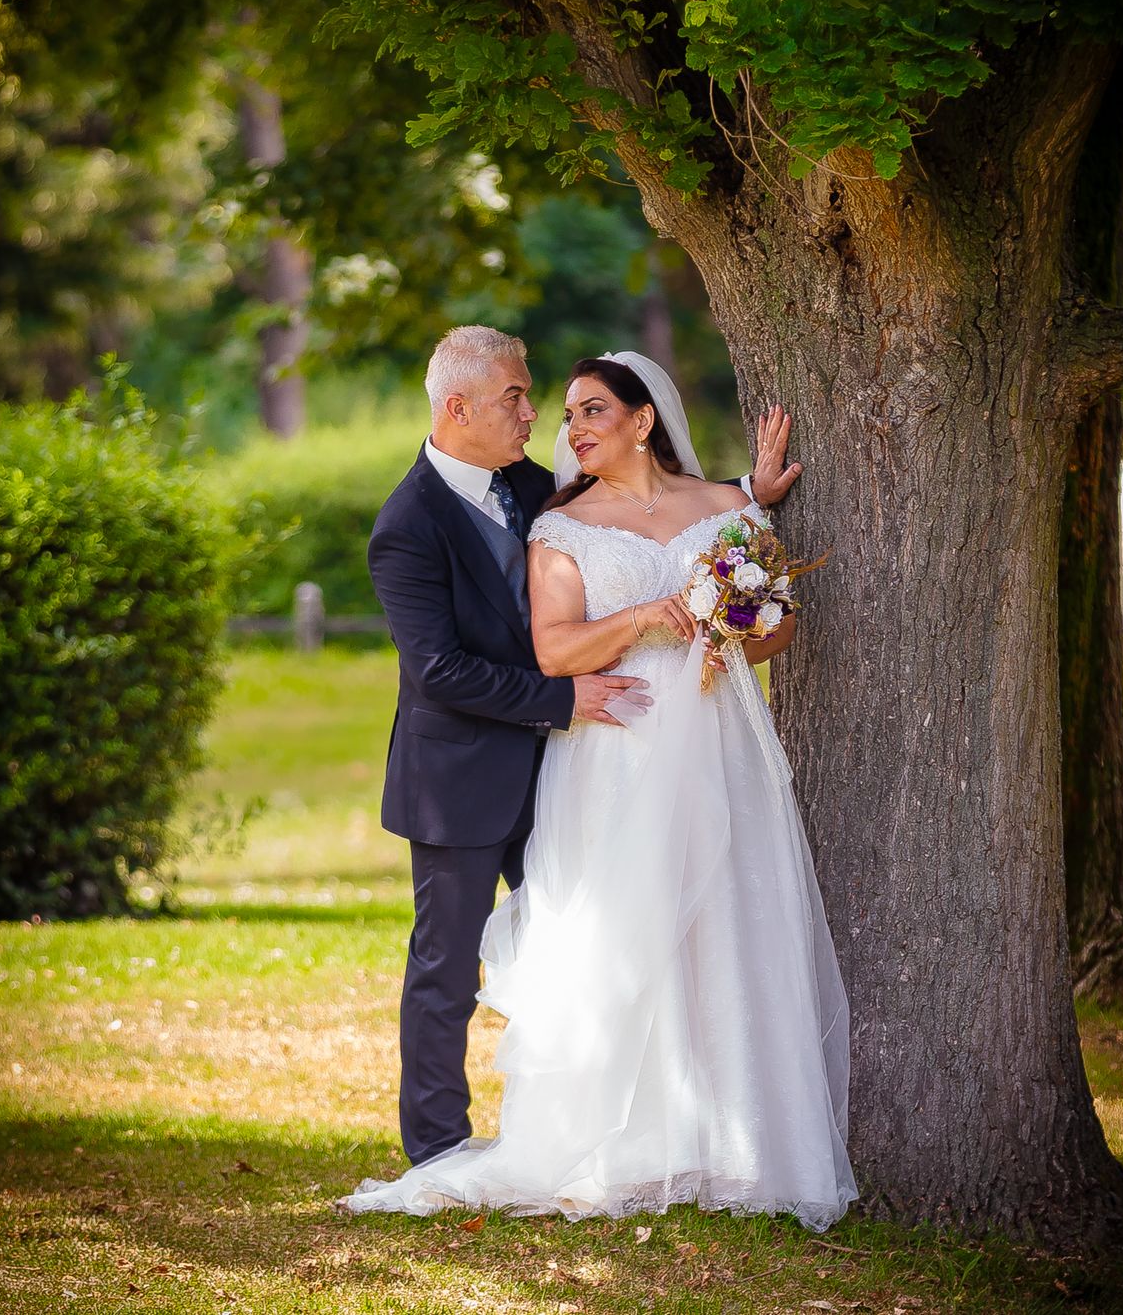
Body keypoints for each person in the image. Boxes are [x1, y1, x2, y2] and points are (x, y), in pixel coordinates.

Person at [346, 348, 857, 1227]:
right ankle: (438, 1146)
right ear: (459, 407)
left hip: (608, 753)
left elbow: (675, 522)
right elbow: (440, 670)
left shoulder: (525, 484)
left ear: (641, 416)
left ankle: (694, 1127)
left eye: (578, 409)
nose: (544, 418)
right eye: (519, 398)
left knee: (636, 938)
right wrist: (572, 687)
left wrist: (751, 507)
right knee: (451, 962)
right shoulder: (412, 521)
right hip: (476, 766)